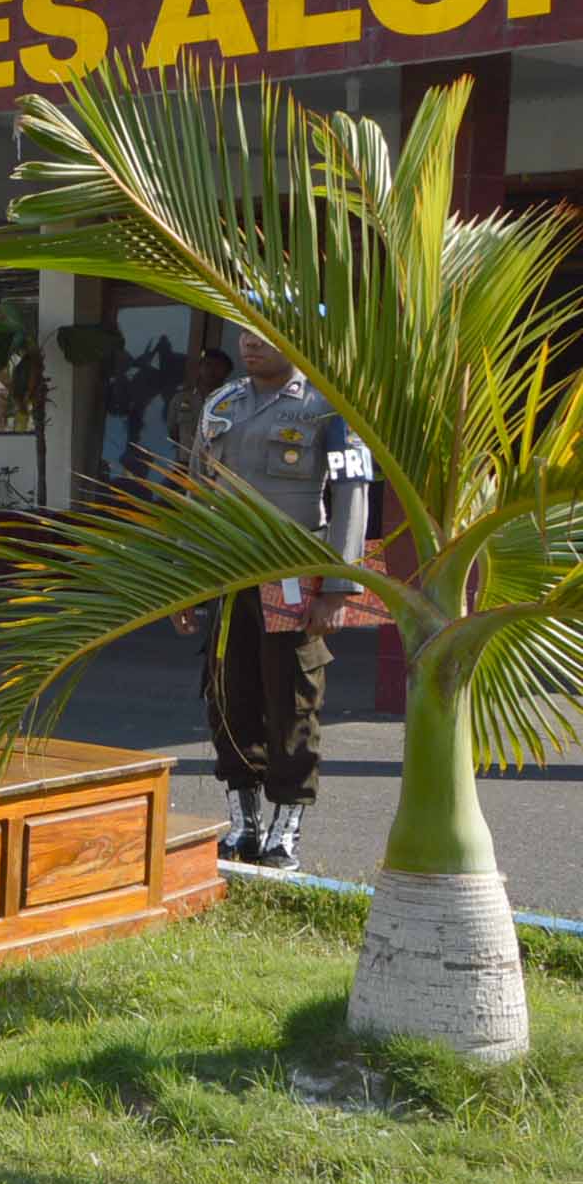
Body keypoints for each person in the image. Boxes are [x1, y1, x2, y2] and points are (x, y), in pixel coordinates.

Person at [178, 331, 368, 871]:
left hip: (291, 575)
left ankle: (286, 829)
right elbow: (197, 491)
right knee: (226, 696)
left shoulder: (327, 407)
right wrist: (186, 579)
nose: (250, 345)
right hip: (225, 572)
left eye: (264, 337)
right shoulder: (222, 403)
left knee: (292, 700)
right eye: (244, 334)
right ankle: (242, 822)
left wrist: (338, 586)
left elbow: (353, 494)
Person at [169, 344, 233, 469]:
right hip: (184, 465)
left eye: (218, 366)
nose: (211, 370)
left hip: (218, 468)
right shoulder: (181, 399)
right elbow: (173, 433)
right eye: (207, 365)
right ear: (199, 368)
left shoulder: (234, 401)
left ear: (227, 371)